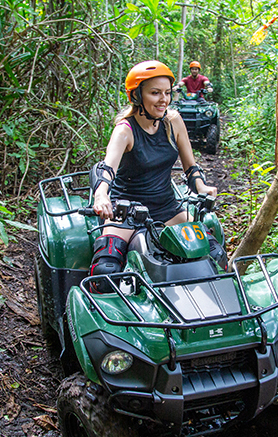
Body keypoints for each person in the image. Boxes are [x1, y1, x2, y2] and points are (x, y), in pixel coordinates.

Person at [89, 60, 222, 288]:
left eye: (168, 93)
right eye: (155, 93)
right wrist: (101, 195)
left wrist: (202, 188)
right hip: (127, 212)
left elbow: (190, 167)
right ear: (137, 96)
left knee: (214, 253)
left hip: (167, 208)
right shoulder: (125, 130)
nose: (164, 100)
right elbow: (107, 169)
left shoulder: (173, 121)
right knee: (106, 270)